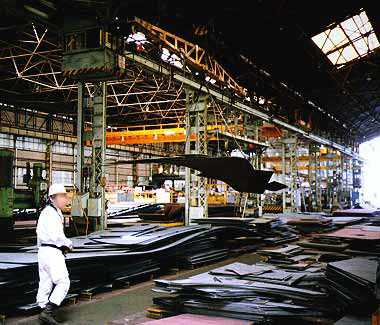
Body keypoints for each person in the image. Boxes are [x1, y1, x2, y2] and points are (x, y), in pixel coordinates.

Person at [36, 184, 73, 324]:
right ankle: (48, 312)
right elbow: (57, 236)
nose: (65, 198)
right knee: (63, 282)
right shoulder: (51, 213)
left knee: (45, 283)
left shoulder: (50, 211)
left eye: (65, 195)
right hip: (52, 252)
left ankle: (43, 310)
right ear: (52, 198)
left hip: (44, 251)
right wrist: (68, 244)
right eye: (62, 196)